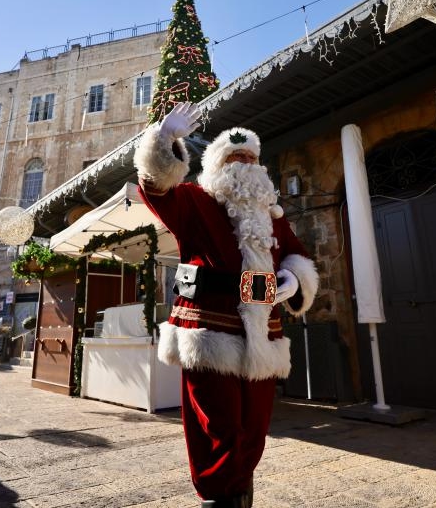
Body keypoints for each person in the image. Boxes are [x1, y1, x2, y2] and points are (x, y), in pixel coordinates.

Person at [133, 103, 319, 508]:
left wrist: (292, 277)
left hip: (264, 337)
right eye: (235, 157)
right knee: (220, 430)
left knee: (253, 431)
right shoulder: (194, 201)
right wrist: (164, 140)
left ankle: (239, 494)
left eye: (252, 158)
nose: (246, 164)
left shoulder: (273, 216)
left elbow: (295, 256)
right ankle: (219, 498)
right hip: (211, 333)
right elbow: (156, 187)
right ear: (216, 164)